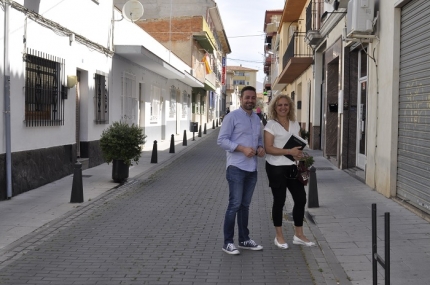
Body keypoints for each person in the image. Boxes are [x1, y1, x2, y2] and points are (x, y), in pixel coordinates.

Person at [217, 86, 266, 255]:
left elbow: (259, 141)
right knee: (235, 204)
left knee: (245, 206)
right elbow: (222, 140)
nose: (250, 100)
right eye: (247, 97)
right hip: (236, 167)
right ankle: (228, 242)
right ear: (241, 98)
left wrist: (260, 148)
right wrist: (242, 148)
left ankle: (244, 239)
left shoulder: (256, 120)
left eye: (253, 98)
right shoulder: (232, 117)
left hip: (252, 168)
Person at [263, 94, 315, 249]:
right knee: (279, 201)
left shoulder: (294, 124)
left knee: (300, 199)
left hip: (292, 166)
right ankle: (279, 236)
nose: (283, 107)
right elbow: (269, 148)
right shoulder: (270, 125)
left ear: (290, 106)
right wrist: (289, 151)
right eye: (279, 105)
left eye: (286, 105)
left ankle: (299, 234)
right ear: (274, 107)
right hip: (275, 167)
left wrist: (299, 153)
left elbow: (297, 145)